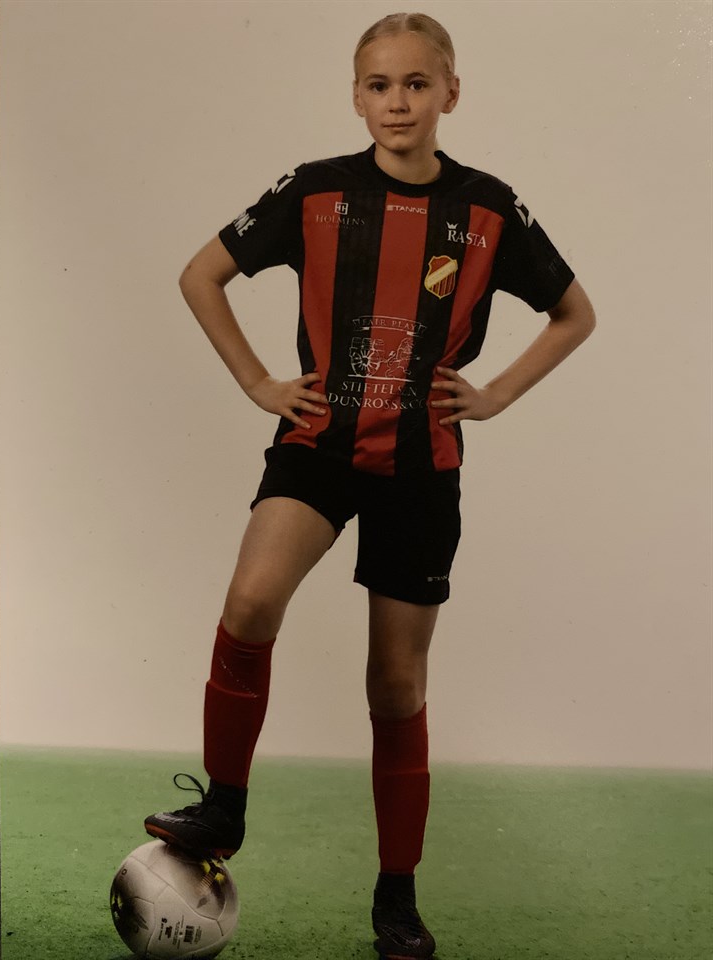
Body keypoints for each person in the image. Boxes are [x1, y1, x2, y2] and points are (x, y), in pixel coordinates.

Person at [144, 12, 596, 959]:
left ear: (451, 93)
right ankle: (223, 808)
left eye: (417, 84)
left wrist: (496, 395)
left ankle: (397, 895)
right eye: (379, 85)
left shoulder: (487, 209)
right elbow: (200, 275)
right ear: (356, 96)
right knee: (251, 599)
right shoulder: (316, 191)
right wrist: (258, 382)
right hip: (317, 445)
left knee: (394, 686)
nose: (398, 102)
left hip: (422, 470)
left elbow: (573, 312)